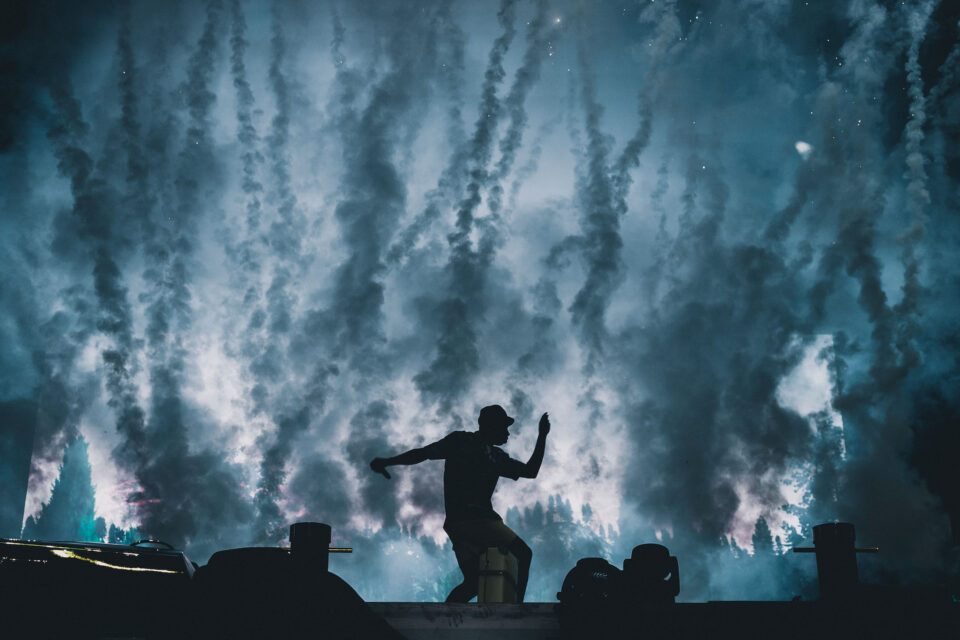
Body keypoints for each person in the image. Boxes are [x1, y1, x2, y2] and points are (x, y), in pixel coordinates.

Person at [370, 404, 551, 603]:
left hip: (457, 525)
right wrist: (542, 436)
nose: (508, 433)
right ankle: (518, 609)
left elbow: (422, 453)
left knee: (473, 583)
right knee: (523, 553)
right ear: (491, 426)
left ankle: (445, 617)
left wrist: (387, 462)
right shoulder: (469, 445)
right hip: (479, 521)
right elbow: (423, 453)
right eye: (504, 427)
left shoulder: (481, 450)